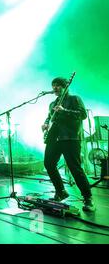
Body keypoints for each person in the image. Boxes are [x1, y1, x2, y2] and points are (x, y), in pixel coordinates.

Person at [41, 77, 95, 212]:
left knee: (75, 168)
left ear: (65, 86)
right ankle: (60, 191)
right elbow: (49, 116)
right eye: (53, 85)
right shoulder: (52, 104)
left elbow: (82, 114)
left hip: (70, 137)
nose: (54, 88)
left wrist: (64, 110)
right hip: (54, 138)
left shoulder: (74, 99)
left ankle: (88, 198)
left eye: (57, 85)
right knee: (48, 163)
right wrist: (46, 123)